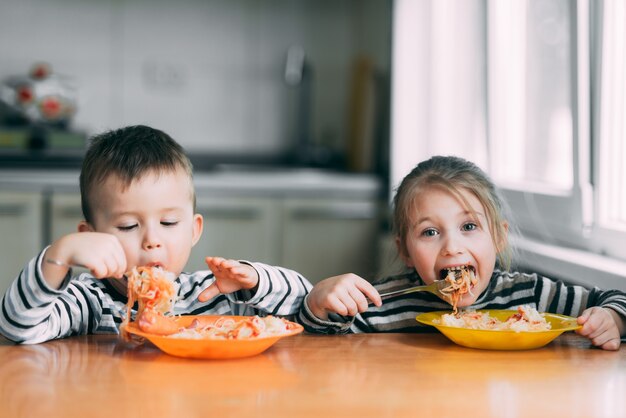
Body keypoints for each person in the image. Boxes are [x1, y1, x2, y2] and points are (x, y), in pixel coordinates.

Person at [0, 125, 311, 344]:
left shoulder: (213, 294)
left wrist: (255, 280)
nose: (152, 240)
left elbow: (303, 303)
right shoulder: (90, 301)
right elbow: (18, 328)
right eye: (128, 226)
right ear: (91, 236)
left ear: (194, 230)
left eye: (169, 222)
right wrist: (58, 256)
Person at [297, 155, 626, 350]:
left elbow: (616, 299)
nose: (452, 247)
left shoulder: (531, 295)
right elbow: (315, 343)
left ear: (497, 237)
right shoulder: (385, 304)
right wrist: (317, 304)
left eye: (469, 227)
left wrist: (612, 319)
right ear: (405, 251)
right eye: (430, 232)